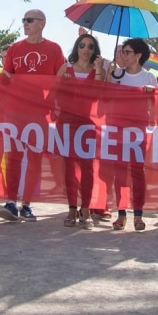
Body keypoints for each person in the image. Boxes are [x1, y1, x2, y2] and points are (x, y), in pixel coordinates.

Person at [0, 9, 65, 222]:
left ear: (42, 23)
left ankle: (26, 204)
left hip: (39, 112)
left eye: (29, 20)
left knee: (34, 159)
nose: (25, 23)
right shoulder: (15, 48)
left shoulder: (54, 49)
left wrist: (50, 103)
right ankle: (10, 202)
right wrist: (4, 78)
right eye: (23, 20)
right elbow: (6, 77)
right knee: (14, 157)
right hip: (15, 111)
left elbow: (60, 80)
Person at [54, 33, 105, 228]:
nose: (86, 49)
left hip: (88, 124)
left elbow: (98, 96)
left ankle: (86, 209)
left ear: (95, 51)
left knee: (87, 168)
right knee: (69, 168)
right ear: (76, 47)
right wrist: (63, 84)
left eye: (90, 46)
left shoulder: (98, 70)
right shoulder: (65, 68)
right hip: (66, 123)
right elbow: (54, 96)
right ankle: (71, 209)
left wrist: (99, 70)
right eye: (82, 45)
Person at [107, 38, 157, 231]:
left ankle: (138, 215)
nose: (123, 55)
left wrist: (152, 94)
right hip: (117, 128)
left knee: (137, 172)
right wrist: (108, 75)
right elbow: (105, 96)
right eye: (122, 52)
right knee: (119, 172)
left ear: (138, 55)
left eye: (127, 52)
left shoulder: (149, 78)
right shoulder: (116, 75)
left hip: (138, 130)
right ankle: (121, 214)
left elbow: (157, 104)